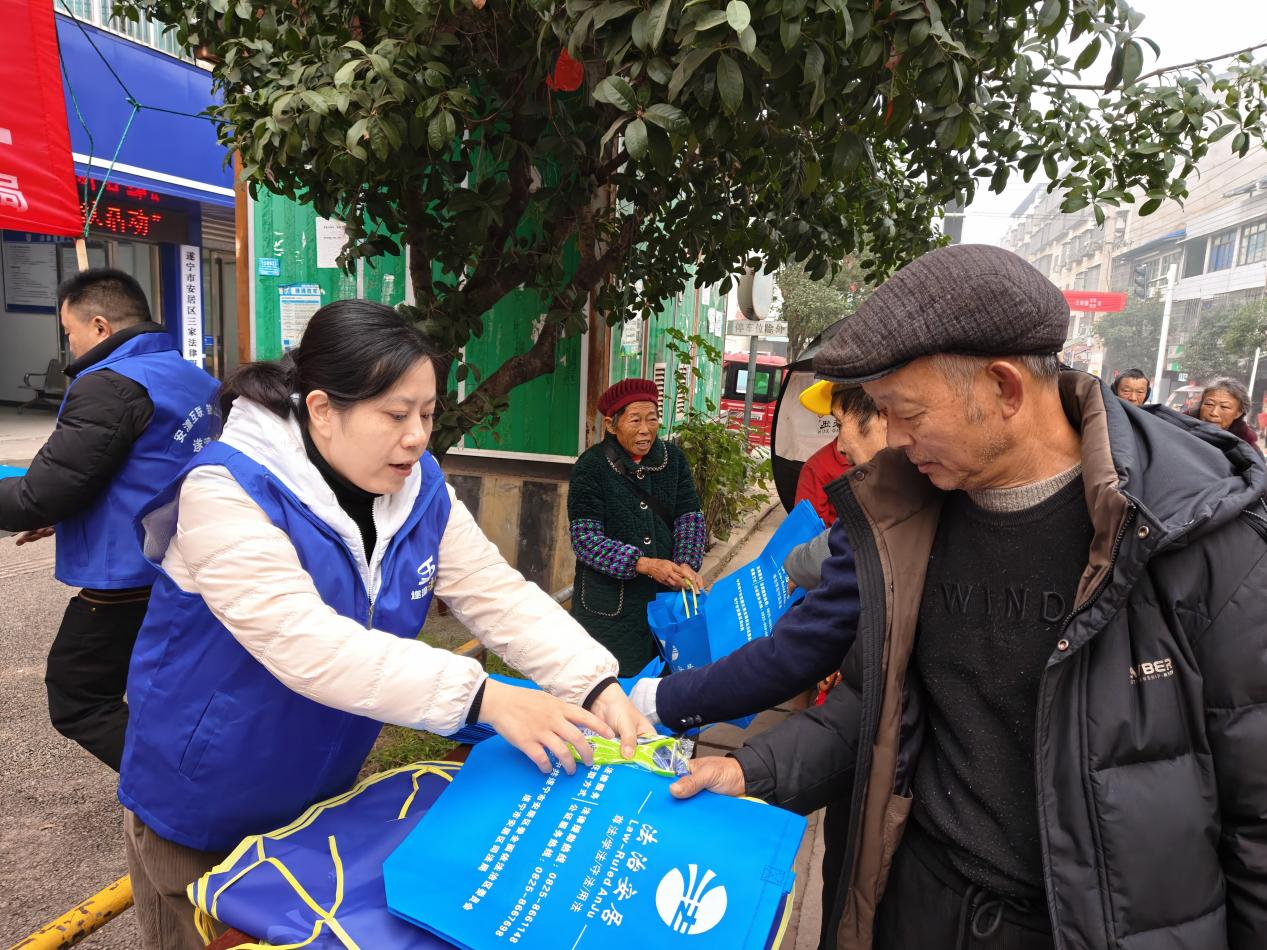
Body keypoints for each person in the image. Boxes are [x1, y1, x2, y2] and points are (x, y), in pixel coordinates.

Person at [670, 244, 1267, 950]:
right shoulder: (913, 515)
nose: (893, 441)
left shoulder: (1197, 535)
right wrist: (752, 768)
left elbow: (1255, 817)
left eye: (908, 413)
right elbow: (873, 707)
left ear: (1004, 389)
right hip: (917, 906)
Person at [116, 301, 651, 949]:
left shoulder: (417, 488)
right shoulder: (227, 491)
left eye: (427, 413)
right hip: (205, 799)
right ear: (322, 410)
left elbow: (494, 592)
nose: (417, 436)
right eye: (396, 415)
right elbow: (304, 643)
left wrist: (592, 682)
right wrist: (485, 697)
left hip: (320, 792)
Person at [0, 269, 219, 771]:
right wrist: (66, 514)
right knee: (163, 691)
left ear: (99, 326)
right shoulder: (195, 379)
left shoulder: (108, 386)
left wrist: (48, 507)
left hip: (126, 577)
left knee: (80, 698)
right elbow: (152, 467)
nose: (70, 346)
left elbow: (38, 496)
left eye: (70, 332)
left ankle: (179, 788)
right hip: (186, 565)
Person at [567, 378, 706, 675]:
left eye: (652, 419)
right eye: (635, 420)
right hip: (608, 611)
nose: (645, 429)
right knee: (610, 684)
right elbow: (585, 540)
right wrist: (644, 564)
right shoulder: (591, 466)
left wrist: (686, 563)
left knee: (665, 685)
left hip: (666, 602)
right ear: (611, 424)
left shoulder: (673, 460)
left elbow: (689, 517)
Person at [794, 381, 888, 524]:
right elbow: (806, 532)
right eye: (838, 424)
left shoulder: (915, 468)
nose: (840, 447)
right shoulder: (817, 467)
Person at [1194, 376, 1259, 448]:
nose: (1214, 413)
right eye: (1209, 404)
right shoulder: (1184, 429)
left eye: (1224, 407)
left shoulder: (1246, 447)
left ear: (1238, 413)